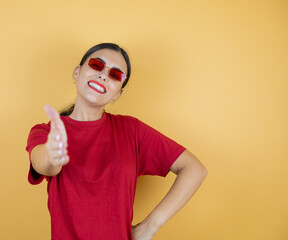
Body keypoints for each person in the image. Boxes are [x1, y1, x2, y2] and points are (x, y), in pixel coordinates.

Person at [25, 43, 208, 240]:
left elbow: (195, 169)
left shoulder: (132, 131)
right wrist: (53, 153)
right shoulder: (45, 132)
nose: (104, 75)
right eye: (96, 65)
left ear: (118, 94)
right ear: (77, 73)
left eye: (115, 75)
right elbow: (43, 164)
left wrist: (150, 225)